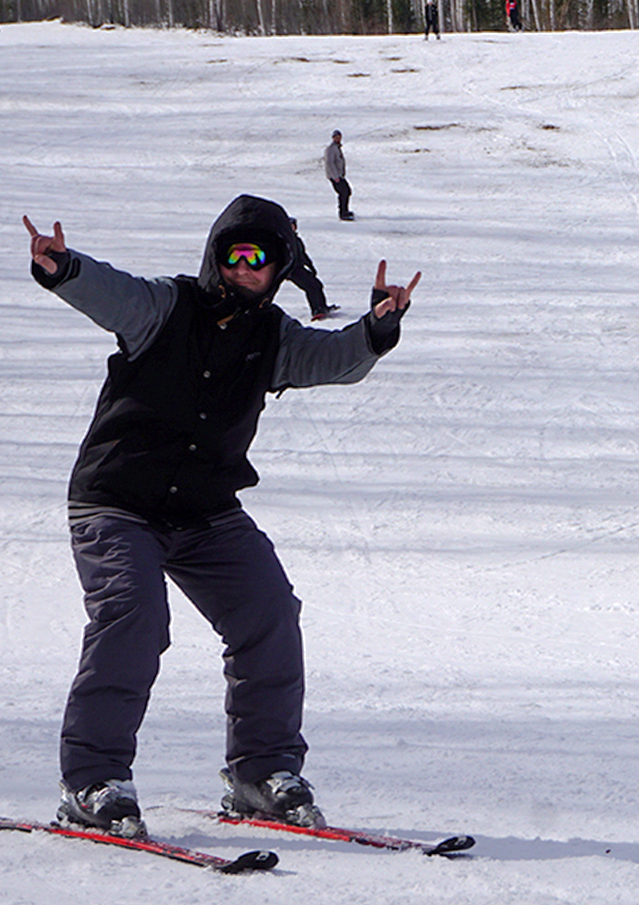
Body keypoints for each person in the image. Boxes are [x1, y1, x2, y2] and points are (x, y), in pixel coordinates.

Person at [24, 195, 420, 838]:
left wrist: (376, 329)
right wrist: (62, 268)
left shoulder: (275, 337)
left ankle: (261, 774)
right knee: (134, 613)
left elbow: (334, 360)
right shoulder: (164, 307)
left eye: (258, 258)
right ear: (216, 258)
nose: (243, 267)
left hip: (206, 512)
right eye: (232, 254)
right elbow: (109, 293)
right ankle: (92, 780)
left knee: (268, 611)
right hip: (118, 504)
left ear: (278, 269)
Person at [286, 217, 339, 320]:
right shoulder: (286, 242)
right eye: (290, 226)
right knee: (311, 287)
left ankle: (322, 307)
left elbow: (303, 255)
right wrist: (287, 271)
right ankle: (316, 310)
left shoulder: (296, 239)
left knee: (317, 285)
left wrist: (310, 266)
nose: (293, 228)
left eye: (294, 226)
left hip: (299, 268)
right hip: (293, 270)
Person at [325, 130, 352, 221]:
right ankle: (343, 213)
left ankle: (345, 210)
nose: (338, 139)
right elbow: (330, 163)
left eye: (339, 137)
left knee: (347, 191)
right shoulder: (331, 149)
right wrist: (335, 176)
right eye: (336, 137)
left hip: (340, 175)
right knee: (344, 192)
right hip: (335, 176)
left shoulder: (337, 148)